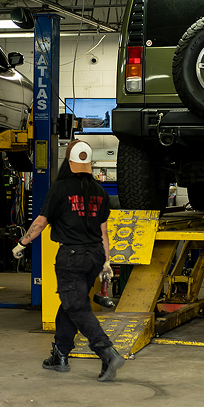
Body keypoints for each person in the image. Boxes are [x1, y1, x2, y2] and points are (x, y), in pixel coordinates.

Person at [12, 140, 125, 382]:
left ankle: (107, 352)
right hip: (94, 255)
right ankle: (60, 354)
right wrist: (106, 262)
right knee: (70, 303)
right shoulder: (100, 192)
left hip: (71, 257)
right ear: (88, 163)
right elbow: (103, 232)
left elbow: (41, 222)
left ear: (69, 161)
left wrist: (21, 244)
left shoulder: (60, 188)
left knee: (77, 307)